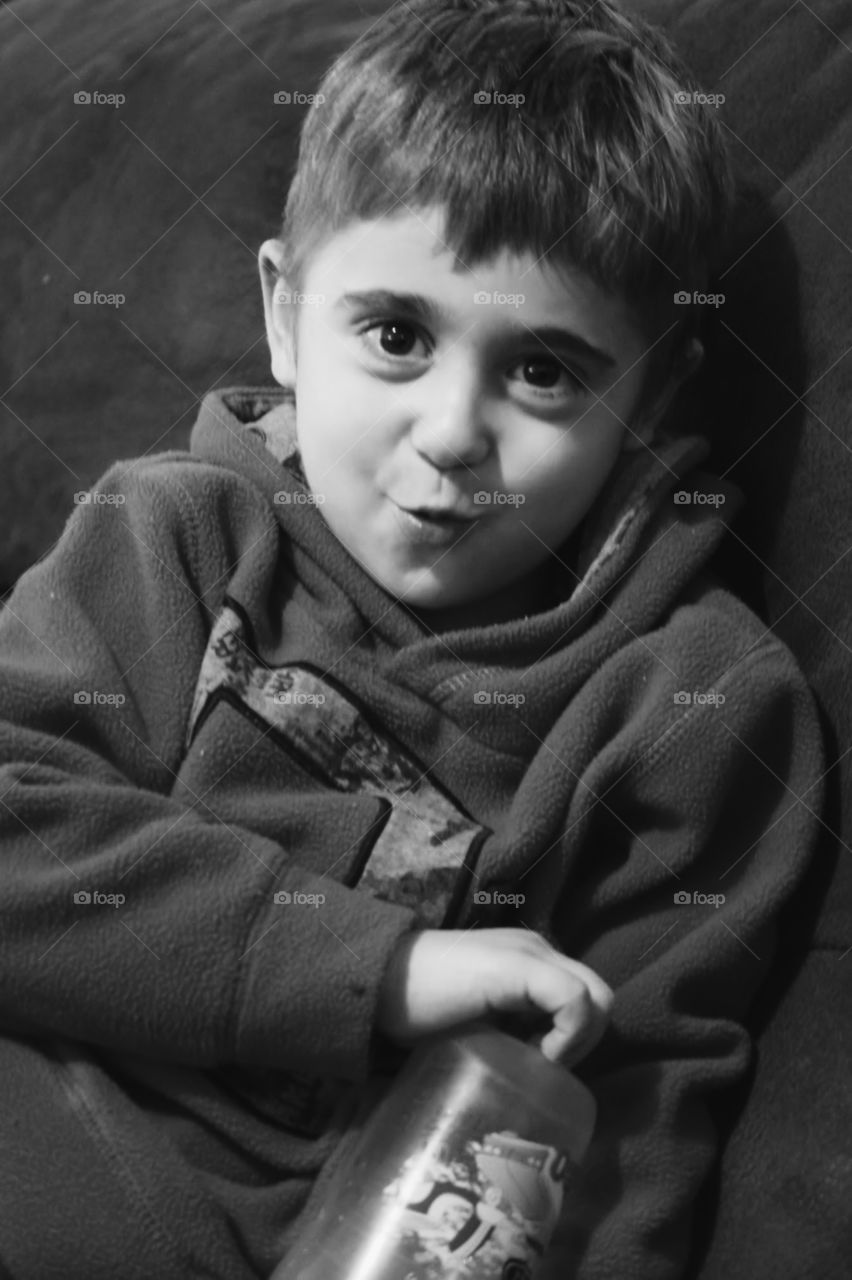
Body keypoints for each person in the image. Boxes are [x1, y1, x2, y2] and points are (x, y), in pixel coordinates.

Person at [0, 1, 824, 1277]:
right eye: (395, 335)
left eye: (545, 371)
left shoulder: (697, 703)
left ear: (652, 394)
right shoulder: (176, 530)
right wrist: (381, 972)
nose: (450, 433)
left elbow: (638, 1117)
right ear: (285, 318)